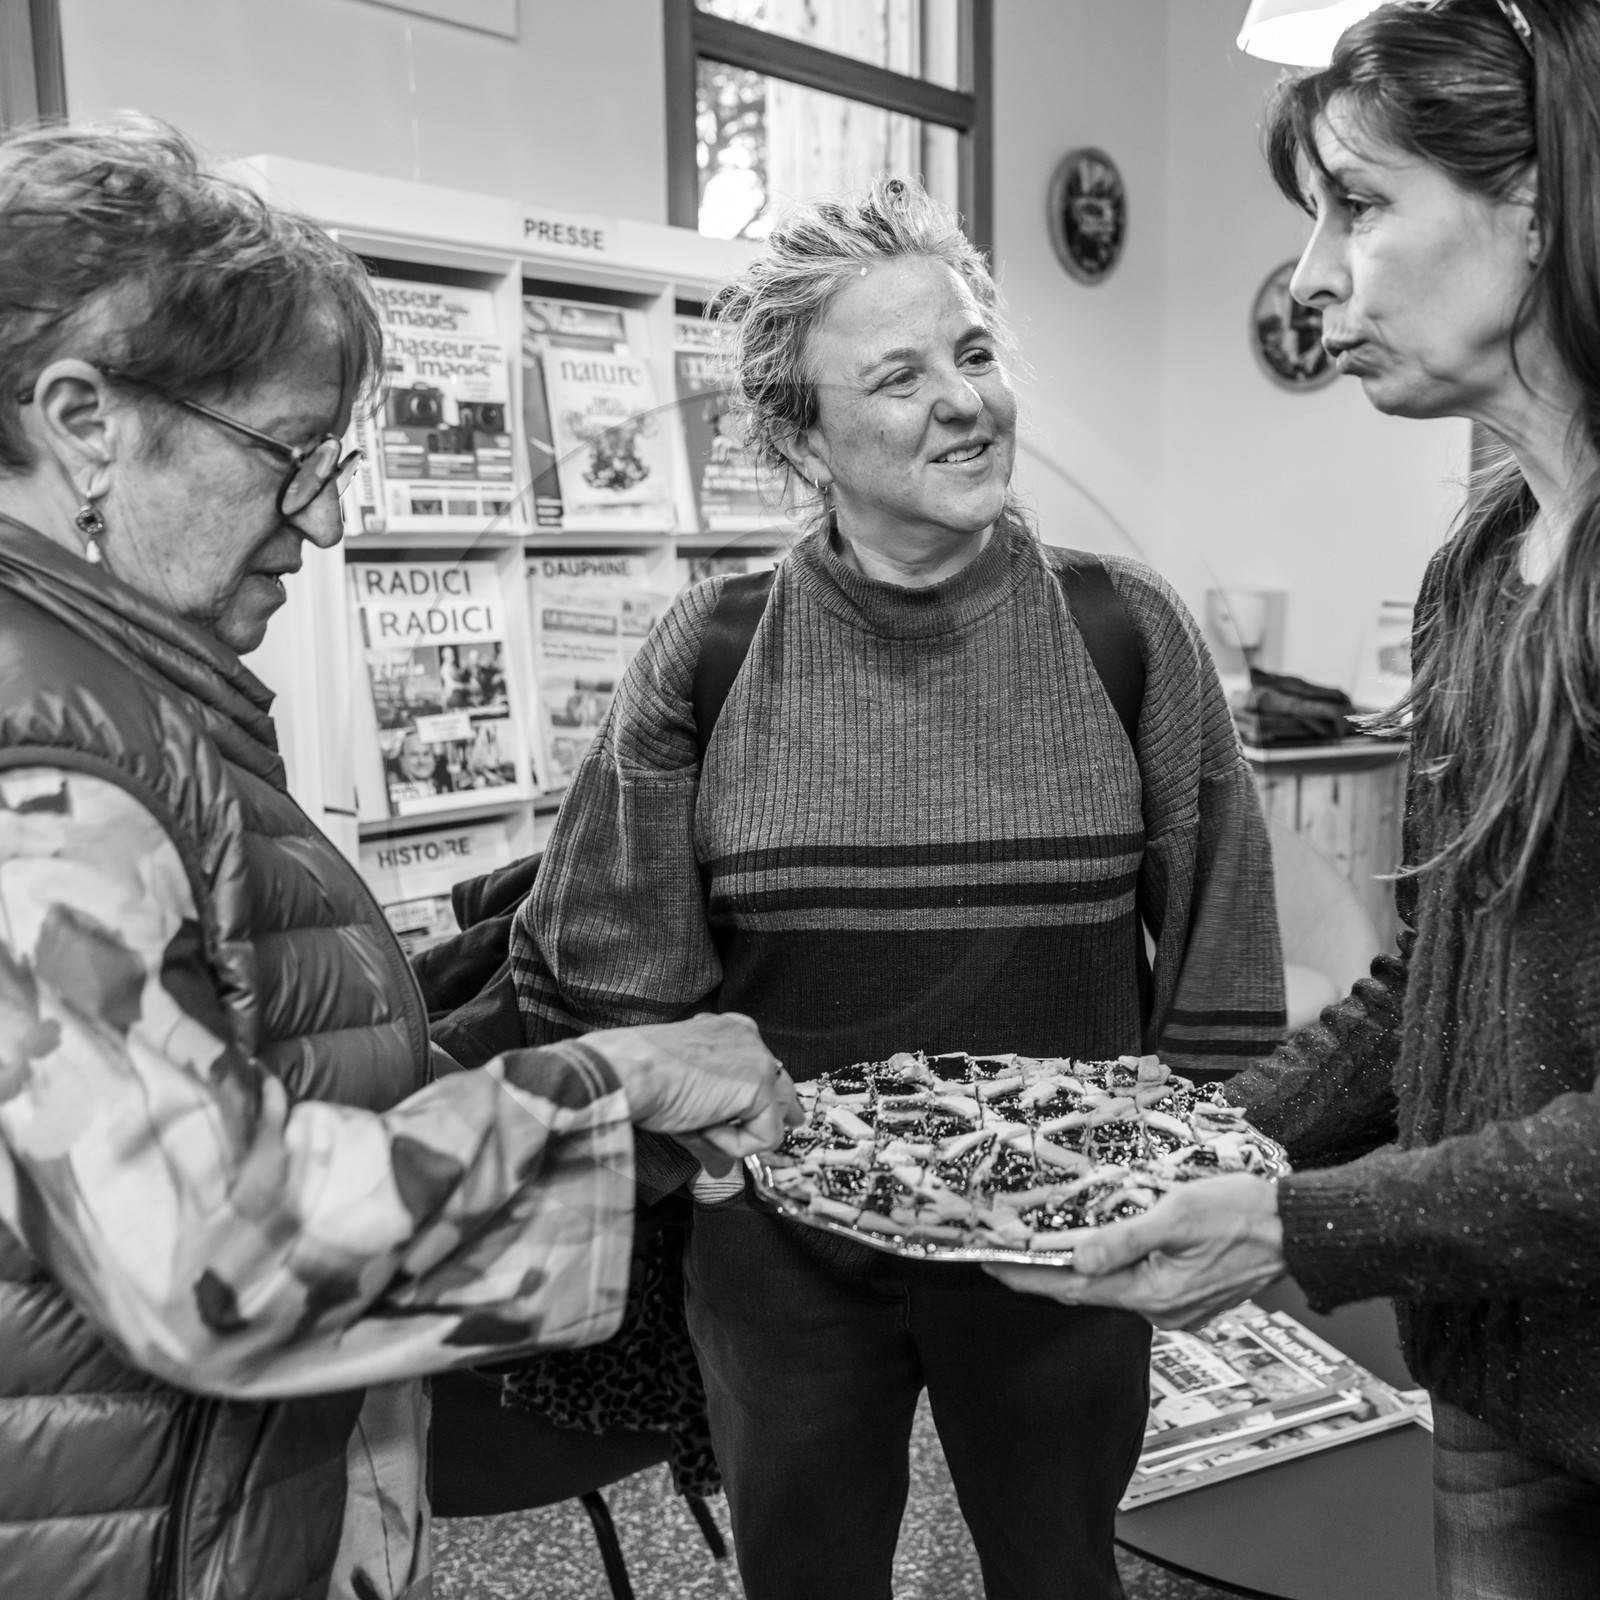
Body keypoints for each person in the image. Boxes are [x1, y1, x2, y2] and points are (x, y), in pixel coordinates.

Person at [0, 117, 797, 1600]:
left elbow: (273, 1094)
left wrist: (604, 1140)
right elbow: (213, 1258)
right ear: (82, 419)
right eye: (291, 455)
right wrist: (601, 1090)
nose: (328, 514)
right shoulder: (48, 763)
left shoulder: (119, 705)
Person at [510, 177, 1286, 1600]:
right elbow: (605, 948)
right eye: (899, 374)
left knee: (1063, 1573)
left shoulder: (1125, 633)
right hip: (785, 1265)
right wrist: (700, 1147)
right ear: (801, 439)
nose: (963, 401)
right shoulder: (714, 651)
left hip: (1063, 1248)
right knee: (807, 1579)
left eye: (975, 353)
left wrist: (1197, 1168)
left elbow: (1225, 939)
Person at [990, 4, 1600, 1595]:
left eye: (1362, 203)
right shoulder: (1482, 567)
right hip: (1500, 1376)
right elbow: (1437, 980)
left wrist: (1297, 1223)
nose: (1314, 279)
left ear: (1538, 203)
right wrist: (1182, 1142)